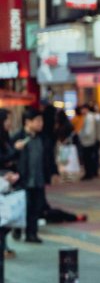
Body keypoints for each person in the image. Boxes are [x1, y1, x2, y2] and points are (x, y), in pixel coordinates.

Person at [13, 109, 47, 244]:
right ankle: (17, 228)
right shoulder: (17, 137)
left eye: (41, 120)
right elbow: (8, 157)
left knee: (36, 207)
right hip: (23, 179)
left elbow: (47, 158)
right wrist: (15, 149)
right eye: (38, 121)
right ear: (27, 122)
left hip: (38, 179)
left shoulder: (42, 138)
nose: (41, 124)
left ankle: (32, 234)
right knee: (23, 207)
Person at [0, 109, 17, 257]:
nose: (10, 123)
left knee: (6, 217)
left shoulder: (6, 137)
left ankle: (4, 246)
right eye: (7, 120)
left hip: (8, 183)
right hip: (2, 181)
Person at [74, 105, 100, 180]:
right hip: (89, 140)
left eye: (83, 109)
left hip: (88, 141)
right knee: (89, 158)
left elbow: (88, 131)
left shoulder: (89, 117)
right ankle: (90, 173)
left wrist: (80, 135)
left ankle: (89, 174)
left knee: (88, 158)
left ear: (86, 109)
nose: (81, 111)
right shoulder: (88, 117)